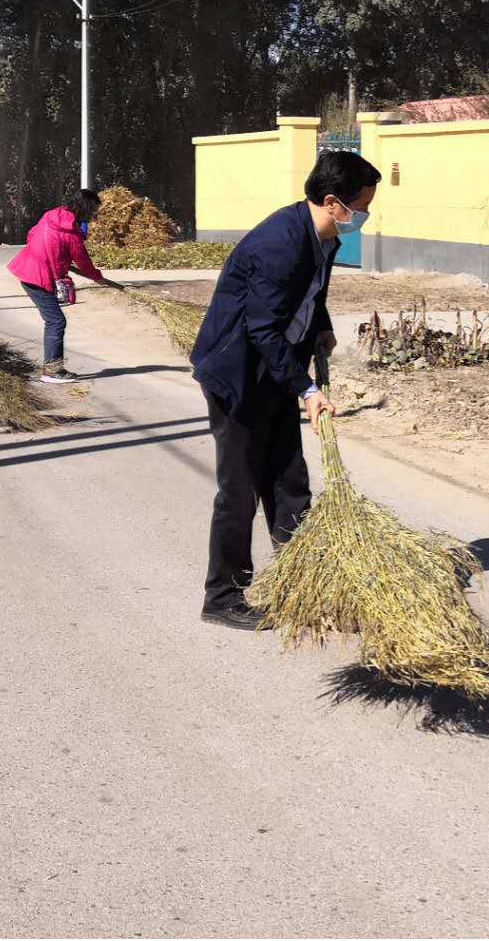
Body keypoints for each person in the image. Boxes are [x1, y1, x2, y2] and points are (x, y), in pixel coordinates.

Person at [190, 151, 380, 629]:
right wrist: (308, 389)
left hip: (275, 371)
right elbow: (263, 330)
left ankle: (300, 579)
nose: (365, 215)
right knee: (240, 490)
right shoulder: (279, 244)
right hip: (238, 375)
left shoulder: (324, 238)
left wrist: (322, 324)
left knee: (289, 481)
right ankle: (223, 597)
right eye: (361, 207)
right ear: (333, 202)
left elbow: (311, 291)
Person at [6, 189, 105, 383]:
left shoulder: (51, 215)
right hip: (38, 277)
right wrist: (97, 277)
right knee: (56, 321)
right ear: (85, 208)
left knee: (54, 320)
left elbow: (32, 234)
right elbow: (83, 262)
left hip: (27, 268)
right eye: (93, 210)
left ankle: (52, 369)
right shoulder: (72, 233)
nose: (93, 214)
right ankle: (52, 371)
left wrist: (50, 254)